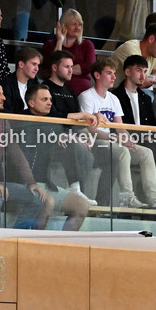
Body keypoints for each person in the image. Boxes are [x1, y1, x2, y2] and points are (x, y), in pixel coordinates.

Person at [78, 58, 156, 210]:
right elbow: (91, 129)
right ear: (97, 75)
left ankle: (154, 198)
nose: (113, 77)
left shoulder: (113, 98)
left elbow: (120, 127)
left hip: (112, 141)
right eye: (109, 73)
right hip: (95, 141)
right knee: (123, 151)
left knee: (146, 153)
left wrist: (128, 139)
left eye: (113, 73)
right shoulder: (87, 96)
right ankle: (127, 197)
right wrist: (117, 138)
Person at [0, 81, 54, 229]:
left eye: (3, 94)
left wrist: (31, 182)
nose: (4, 98)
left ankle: (16, 236)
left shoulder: (3, 122)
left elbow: (16, 153)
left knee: (37, 198)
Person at [21, 84, 96, 230]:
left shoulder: (51, 119)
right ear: (31, 103)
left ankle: (64, 248)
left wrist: (92, 116)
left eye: (50, 99)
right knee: (47, 203)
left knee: (81, 206)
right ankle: (37, 247)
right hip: (25, 184)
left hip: (46, 184)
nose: (50, 102)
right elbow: (35, 134)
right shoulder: (19, 119)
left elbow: (66, 118)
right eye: (44, 99)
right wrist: (56, 137)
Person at [40, 10, 95, 95]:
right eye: (74, 24)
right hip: (56, 89)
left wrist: (62, 69)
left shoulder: (87, 44)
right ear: (64, 25)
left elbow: (89, 67)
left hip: (82, 90)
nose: (78, 28)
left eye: (80, 24)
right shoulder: (50, 45)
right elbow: (51, 66)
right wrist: (59, 41)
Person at [109, 23, 156, 89]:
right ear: (151, 39)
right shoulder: (130, 48)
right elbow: (138, 82)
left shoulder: (155, 54)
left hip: (131, 92)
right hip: (111, 91)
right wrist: (155, 78)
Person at [0, 46, 41, 113]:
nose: (37, 69)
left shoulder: (35, 83)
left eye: (38, 65)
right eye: (34, 64)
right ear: (21, 64)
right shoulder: (6, 84)